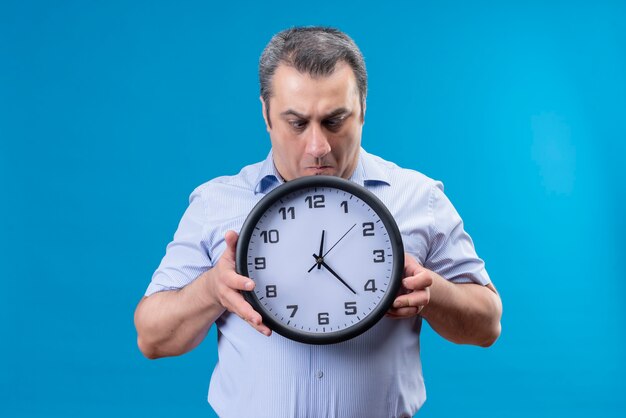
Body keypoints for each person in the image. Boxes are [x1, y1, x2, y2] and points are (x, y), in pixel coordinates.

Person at [134, 26, 502, 417]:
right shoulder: (217, 202)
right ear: (266, 114)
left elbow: (487, 325)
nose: (317, 148)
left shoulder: (419, 198)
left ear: (362, 109)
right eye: (297, 123)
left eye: (334, 121)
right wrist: (210, 289)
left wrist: (434, 293)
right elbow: (151, 338)